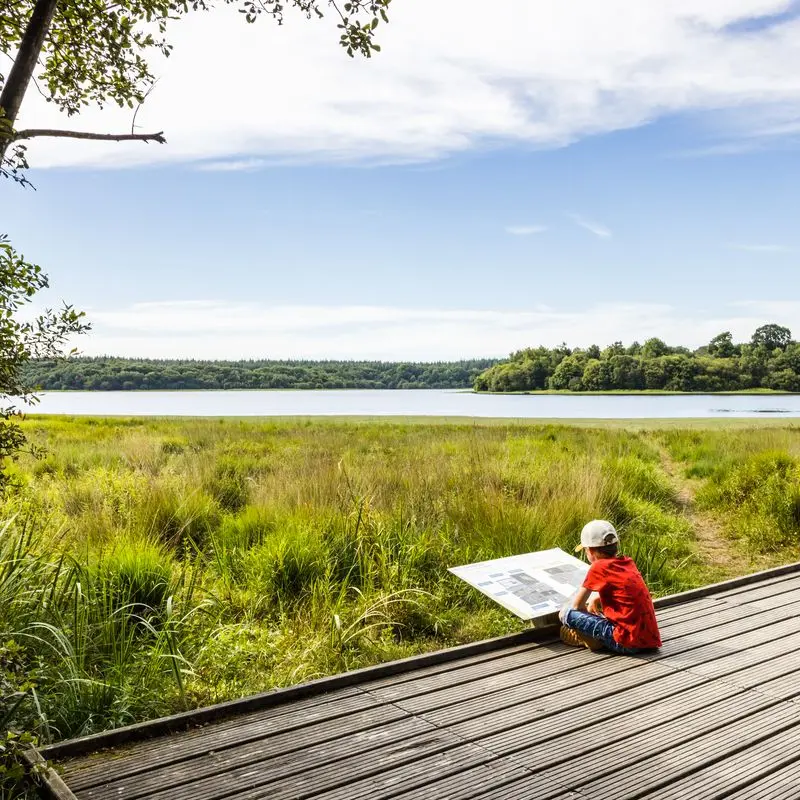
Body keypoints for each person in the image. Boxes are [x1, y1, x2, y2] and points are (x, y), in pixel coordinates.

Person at [558, 519, 661, 654]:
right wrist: (596, 600)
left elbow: (577, 607)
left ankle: (590, 641)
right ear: (616, 544)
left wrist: (584, 622)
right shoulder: (627, 562)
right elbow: (626, 595)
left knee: (566, 613)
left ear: (590, 550)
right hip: (649, 640)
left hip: (627, 643)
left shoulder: (598, 566)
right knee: (596, 614)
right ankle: (595, 639)